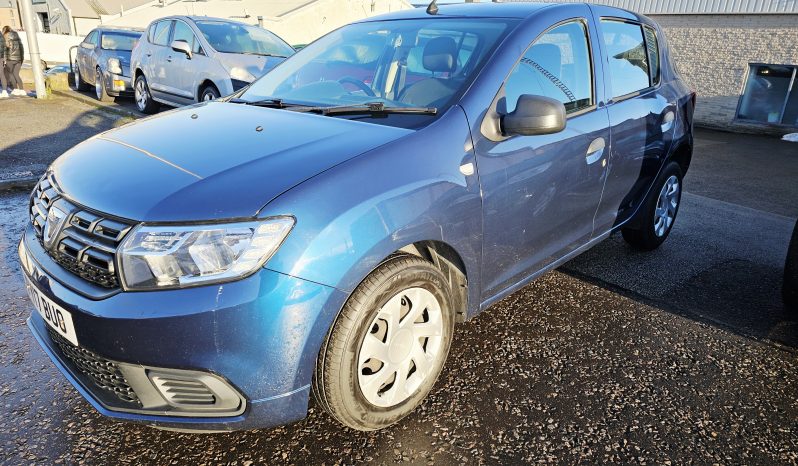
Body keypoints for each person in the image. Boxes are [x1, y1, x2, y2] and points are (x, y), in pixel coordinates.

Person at [2, 26, 26, 97]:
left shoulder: (6, 37)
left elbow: (5, 50)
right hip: (18, 59)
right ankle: (22, 90)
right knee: (16, 74)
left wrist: (4, 59)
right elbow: (22, 49)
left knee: (11, 74)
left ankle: (15, 89)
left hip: (10, 59)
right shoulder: (18, 38)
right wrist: (21, 59)